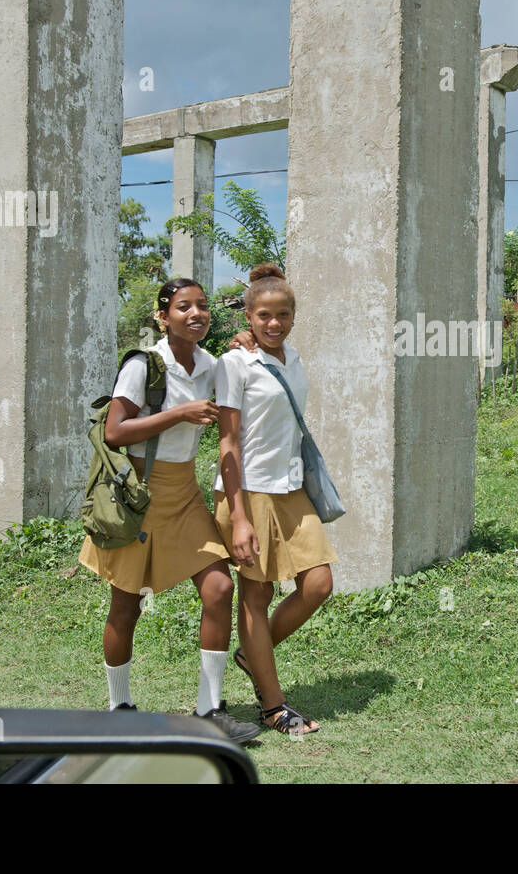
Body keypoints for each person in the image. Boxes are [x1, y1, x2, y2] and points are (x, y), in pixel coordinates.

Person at [78, 278, 260, 743]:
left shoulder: (211, 365)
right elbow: (117, 431)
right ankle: (119, 708)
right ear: (163, 316)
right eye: (184, 307)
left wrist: (245, 343)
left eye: (202, 306)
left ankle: (209, 711)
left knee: (219, 587)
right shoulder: (144, 365)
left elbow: (241, 379)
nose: (196, 313)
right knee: (127, 604)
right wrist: (179, 414)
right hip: (137, 494)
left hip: (182, 493)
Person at [213, 262, 336, 736]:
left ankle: (251, 654)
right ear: (248, 316)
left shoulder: (295, 358)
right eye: (264, 315)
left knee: (318, 584)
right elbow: (229, 442)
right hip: (249, 491)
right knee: (257, 596)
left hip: (291, 488)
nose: (273, 324)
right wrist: (239, 518)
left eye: (282, 315)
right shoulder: (234, 363)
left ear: (292, 316)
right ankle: (272, 707)